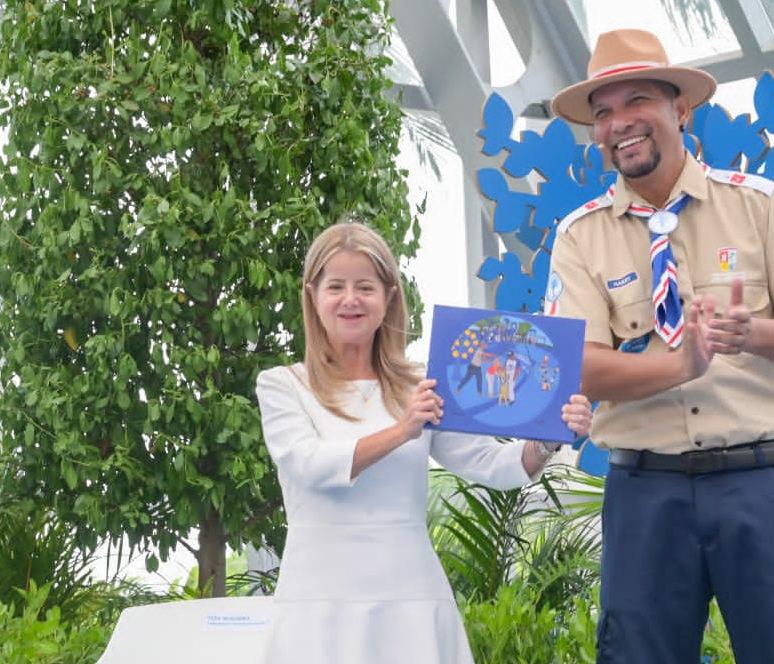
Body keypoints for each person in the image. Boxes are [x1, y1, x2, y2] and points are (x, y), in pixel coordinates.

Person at [545, 29, 774, 664]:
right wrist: (681, 364)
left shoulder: (756, 205)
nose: (619, 124)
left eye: (637, 103)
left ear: (680, 109)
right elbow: (578, 364)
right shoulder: (580, 237)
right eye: (603, 112)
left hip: (762, 485)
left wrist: (753, 334)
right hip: (646, 494)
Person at [254, 221, 593, 664]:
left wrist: (549, 437)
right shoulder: (283, 385)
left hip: (410, 599)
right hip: (318, 602)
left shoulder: (422, 385)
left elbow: (492, 463)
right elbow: (311, 467)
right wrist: (402, 431)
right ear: (312, 295)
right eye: (335, 286)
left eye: (365, 287)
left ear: (389, 296)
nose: (350, 299)